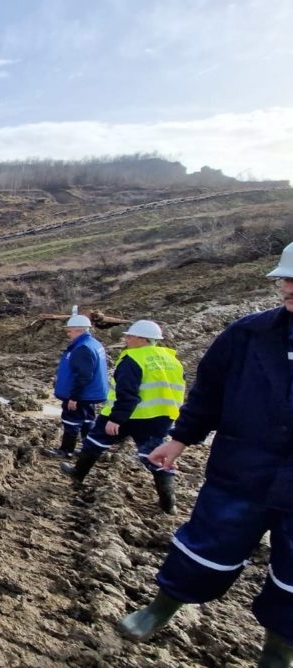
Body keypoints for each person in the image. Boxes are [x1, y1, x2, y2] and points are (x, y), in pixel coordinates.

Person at [118, 243, 293, 666]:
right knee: (208, 541)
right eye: (286, 280)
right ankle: (161, 608)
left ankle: (279, 652)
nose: (287, 287)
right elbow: (208, 392)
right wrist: (180, 437)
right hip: (243, 466)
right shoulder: (248, 334)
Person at [58, 319, 185, 513]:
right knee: (155, 456)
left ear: (142, 339)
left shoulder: (133, 360)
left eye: (130, 336)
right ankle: (169, 503)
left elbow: (127, 394)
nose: (126, 338)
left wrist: (116, 419)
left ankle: (78, 474)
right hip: (161, 416)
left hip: (130, 414)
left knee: (95, 441)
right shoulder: (171, 359)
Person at [43, 310, 109, 459]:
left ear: (80, 330)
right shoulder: (94, 344)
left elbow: (83, 375)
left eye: (70, 331)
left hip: (81, 394)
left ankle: (66, 450)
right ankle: (88, 449)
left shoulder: (83, 348)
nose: (68, 334)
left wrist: (74, 397)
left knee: (71, 421)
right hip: (90, 394)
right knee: (87, 420)